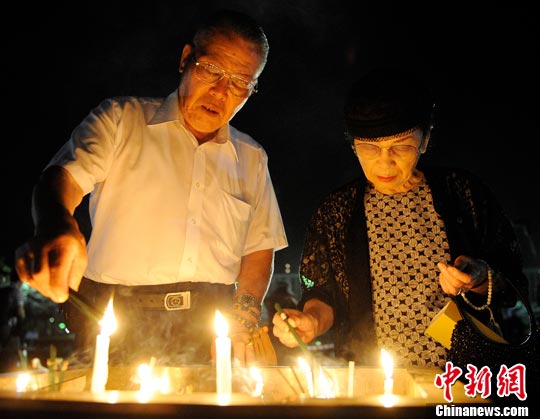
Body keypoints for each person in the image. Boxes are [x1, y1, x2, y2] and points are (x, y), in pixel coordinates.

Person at [14, 9, 288, 366]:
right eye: (211, 70)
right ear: (186, 59)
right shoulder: (120, 120)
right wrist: (56, 224)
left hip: (209, 330)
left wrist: (243, 319)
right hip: (113, 321)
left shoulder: (251, 158)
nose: (221, 92)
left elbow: (258, 249)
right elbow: (62, 179)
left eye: (240, 83)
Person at [272, 67, 529, 369]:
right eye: (369, 148)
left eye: (401, 146)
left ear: (425, 139)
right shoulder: (336, 211)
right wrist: (312, 320)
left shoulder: (463, 194)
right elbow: (324, 291)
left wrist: (478, 277)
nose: (385, 162)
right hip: (374, 381)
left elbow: (512, 284)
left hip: (460, 378)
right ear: (353, 145)